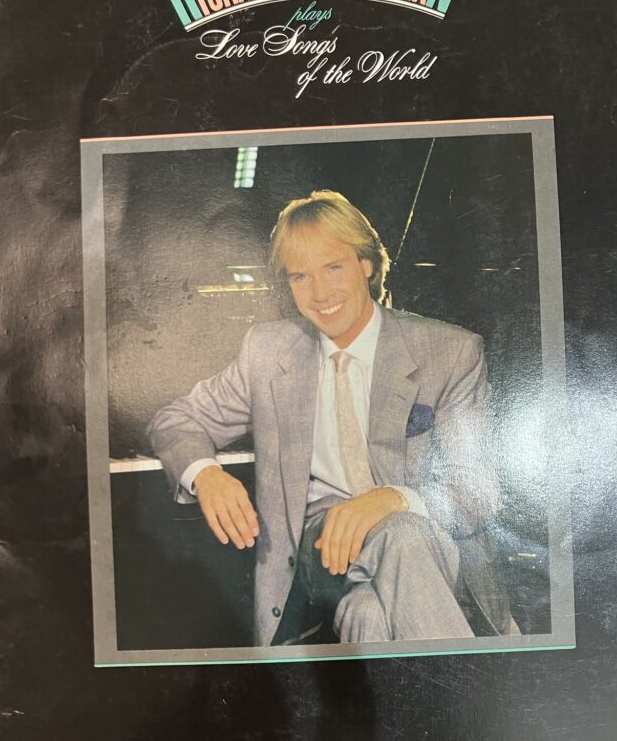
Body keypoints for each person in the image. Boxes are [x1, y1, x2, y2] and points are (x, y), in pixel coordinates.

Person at [148, 190, 513, 646]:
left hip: (435, 549)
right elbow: (176, 419)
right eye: (300, 276)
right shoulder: (268, 353)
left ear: (366, 264)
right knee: (399, 542)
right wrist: (206, 475)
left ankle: (442, 683)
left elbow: (478, 489)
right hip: (323, 555)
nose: (319, 294)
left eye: (334, 267)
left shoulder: (449, 351)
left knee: (370, 610)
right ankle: (473, 681)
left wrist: (391, 500)